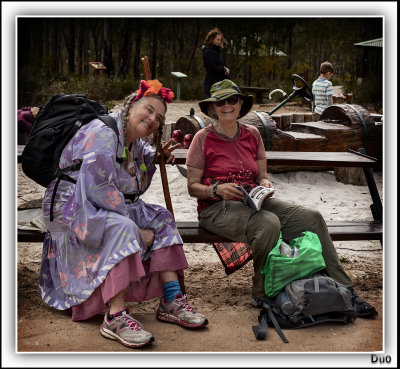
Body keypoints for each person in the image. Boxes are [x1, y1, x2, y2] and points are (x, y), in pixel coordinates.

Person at [185, 79, 377, 318]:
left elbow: (262, 176)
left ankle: (346, 290)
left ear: (240, 103)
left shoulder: (253, 134)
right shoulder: (202, 138)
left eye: (232, 100)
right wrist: (217, 190)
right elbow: (192, 187)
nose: (227, 105)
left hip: (254, 202)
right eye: (220, 102)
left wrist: (265, 185)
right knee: (268, 223)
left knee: (312, 218)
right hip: (216, 209)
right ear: (212, 108)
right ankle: (262, 294)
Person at [38, 79, 208, 349]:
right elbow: (97, 188)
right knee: (124, 228)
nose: (152, 119)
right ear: (132, 105)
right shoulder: (103, 134)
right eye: (148, 109)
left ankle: (171, 300)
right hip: (71, 206)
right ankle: (115, 315)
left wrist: (154, 159)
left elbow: (136, 186)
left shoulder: (135, 142)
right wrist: (136, 230)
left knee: (162, 218)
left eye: (159, 118)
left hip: (102, 204)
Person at [202, 28, 231, 98]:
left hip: (219, 82)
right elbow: (212, 67)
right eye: (217, 39)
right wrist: (223, 69)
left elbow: (218, 65)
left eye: (220, 40)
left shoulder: (216, 51)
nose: (219, 41)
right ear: (212, 39)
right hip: (212, 83)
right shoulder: (209, 52)